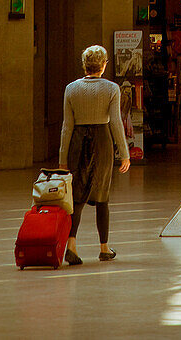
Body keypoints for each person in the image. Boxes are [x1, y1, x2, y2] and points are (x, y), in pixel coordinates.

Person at [58, 44, 130, 266]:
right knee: (102, 196)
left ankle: (71, 245)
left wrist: (62, 159)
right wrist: (125, 153)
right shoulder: (111, 89)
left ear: (84, 65)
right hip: (102, 141)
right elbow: (116, 122)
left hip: (78, 142)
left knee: (77, 197)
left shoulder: (71, 89)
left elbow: (66, 126)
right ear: (104, 65)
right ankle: (104, 248)